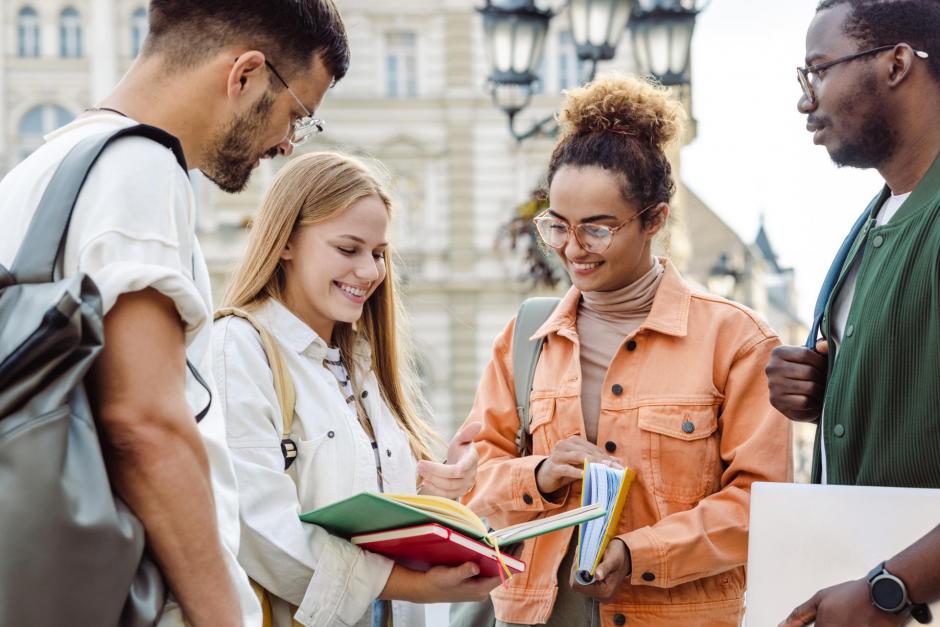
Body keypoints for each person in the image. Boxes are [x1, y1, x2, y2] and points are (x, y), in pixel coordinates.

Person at [0, 1, 349, 625]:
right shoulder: (139, 169)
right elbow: (145, 425)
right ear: (243, 75)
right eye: (296, 115)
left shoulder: (40, 171)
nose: (286, 145)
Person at [458, 74, 792, 627]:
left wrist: (641, 554)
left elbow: (761, 503)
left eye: (597, 228)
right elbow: (474, 482)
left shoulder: (736, 340)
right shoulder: (524, 339)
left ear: (655, 220)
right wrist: (539, 476)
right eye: (557, 226)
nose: (572, 248)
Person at [213, 151, 500, 627]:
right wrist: (417, 587)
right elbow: (260, 531)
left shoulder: (362, 360)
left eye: (378, 253)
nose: (370, 271)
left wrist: (438, 488)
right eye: (348, 250)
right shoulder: (238, 348)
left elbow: (371, 516)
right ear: (285, 242)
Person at [768, 1, 940, 625]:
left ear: (897, 63)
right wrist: (829, 393)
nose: (805, 99)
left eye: (819, 70)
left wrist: (888, 588)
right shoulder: (876, 217)